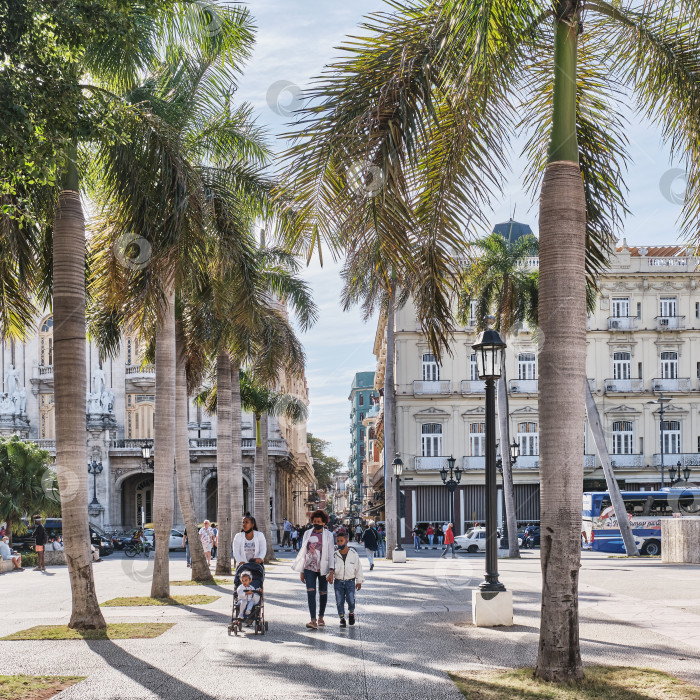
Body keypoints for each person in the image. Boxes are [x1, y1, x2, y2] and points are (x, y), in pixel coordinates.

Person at [292, 510, 334, 629]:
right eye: (314, 521)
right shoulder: (307, 533)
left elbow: (331, 553)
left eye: (319, 522)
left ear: (324, 522)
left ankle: (321, 617)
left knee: (323, 592)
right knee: (311, 592)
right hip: (308, 567)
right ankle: (313, 620)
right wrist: (301, 570)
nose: (316, 523)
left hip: (323, 568)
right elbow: (303, 552)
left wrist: (331, 571)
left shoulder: (329, 535)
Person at [333, 528, 363, 627]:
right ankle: (341, 618)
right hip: (338, 582)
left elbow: (358, 568)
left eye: (341, 541)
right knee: (339, 601)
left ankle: (351, 613)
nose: (339, 543)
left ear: (346, 541)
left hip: (350, 581)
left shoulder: (353, 554)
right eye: (337, 541)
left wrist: (359, 581)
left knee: (351, 599)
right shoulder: (335, 555)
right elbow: (331, 568)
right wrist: (330, 576)